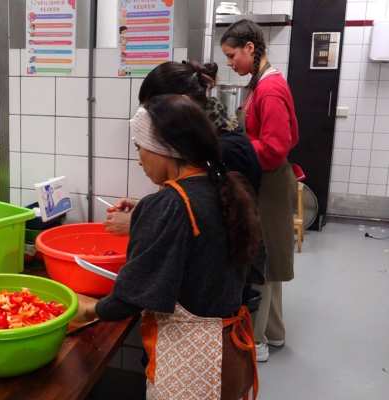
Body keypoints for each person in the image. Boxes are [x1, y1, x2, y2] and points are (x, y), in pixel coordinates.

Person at [74, 95, 261, 399]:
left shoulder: (170, 205)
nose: (138, 159)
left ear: (166, 149)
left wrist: (88, 310)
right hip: (229, 351)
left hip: (194, 367)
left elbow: (130, 296)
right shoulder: (224, 187)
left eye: (139, 147)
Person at [104, 60, 261, 235]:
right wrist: (147, 208)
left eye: (155, 110)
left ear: (181, 104)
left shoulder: (225, 150)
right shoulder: (204, 138)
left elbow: (208, 223)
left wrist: (139, 223)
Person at [220, 19, 298, 363]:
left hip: (270, 181)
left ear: (250, 49)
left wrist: (237, 148)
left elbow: (277, 146)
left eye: (232, 55)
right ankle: (276, 333)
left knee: (261, 260)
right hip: (268, 178)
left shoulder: (269, 89)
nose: (230, 62)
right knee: (271, 259)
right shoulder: (263, 82)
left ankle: (257, 342)